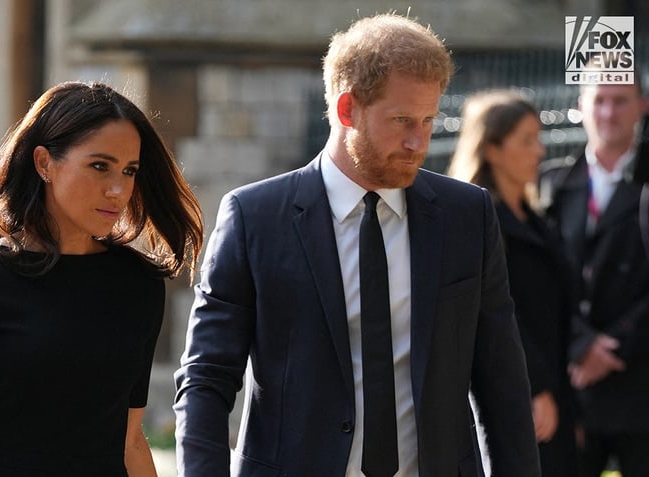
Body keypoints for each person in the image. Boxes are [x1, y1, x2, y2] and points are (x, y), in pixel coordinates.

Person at [174, 13, 540, 477]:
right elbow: (207, 376)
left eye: (429, 120)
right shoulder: (255, 217)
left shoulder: (467, 215)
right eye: (401, 120)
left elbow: (501, 380)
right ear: (347, 110)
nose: (418, 141)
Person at [0, 81, 204, 477]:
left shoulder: (139, 285)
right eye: (100, 166)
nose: (118, 189)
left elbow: (130, 438)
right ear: (44, 163)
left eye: (129, 170)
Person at [447, 90, 577, 476]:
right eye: (526, 140)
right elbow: (498, 316)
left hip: (557, 395)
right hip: (521, 397)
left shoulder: (536, 218)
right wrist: (535, 389)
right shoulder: (476, 225)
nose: (539, 151)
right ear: (492, 149)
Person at [539, 79, 649, 477]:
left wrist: (615, 345)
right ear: (581, 105)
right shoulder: (551, 183)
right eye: (598, 101)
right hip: (573, 386)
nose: (608, 113)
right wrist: (581, 343)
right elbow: (537, 282)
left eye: (620, 101)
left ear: (641, 105)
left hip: (639, 379)